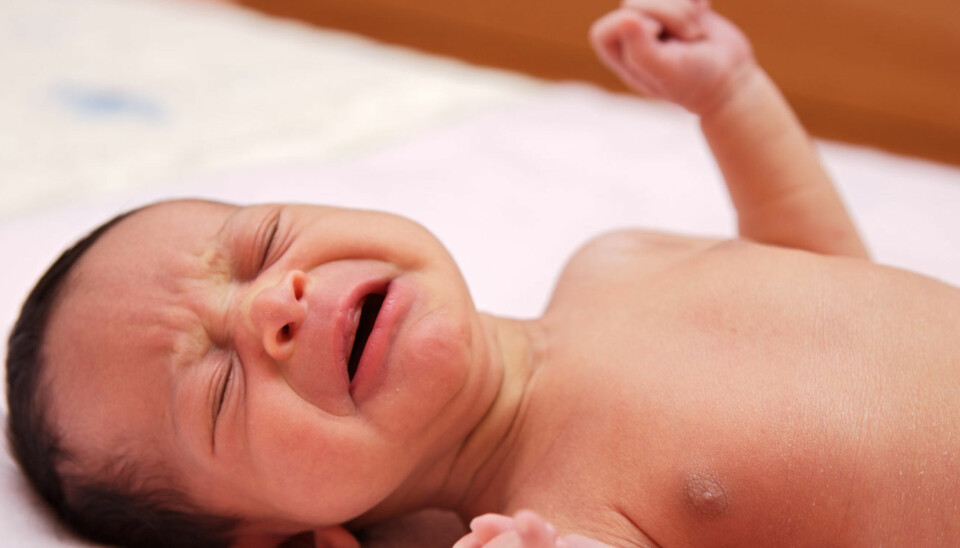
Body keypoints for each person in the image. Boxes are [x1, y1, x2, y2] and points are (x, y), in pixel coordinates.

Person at [7, 1, 960, 547]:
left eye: (261, 245)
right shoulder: (545, 521)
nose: (272, 303)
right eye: (216, 385)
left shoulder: (615, 262)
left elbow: (824, 272)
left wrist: (732, 97)